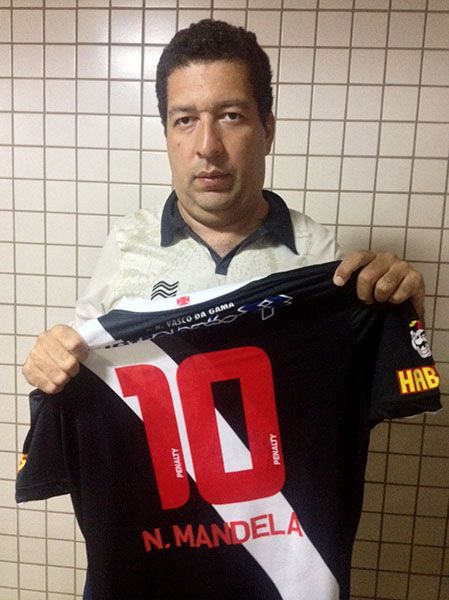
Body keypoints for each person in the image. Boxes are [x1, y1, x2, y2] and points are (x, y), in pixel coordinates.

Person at [23, 19, 424, 394]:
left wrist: (402, 315)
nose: (208, 146)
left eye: (231, 116)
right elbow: (78, 357)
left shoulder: (315, 254)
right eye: (185, 120)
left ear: (267, 131)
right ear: (167, 136)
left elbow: (354, 394)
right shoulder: (127, 243)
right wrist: (51, 359)